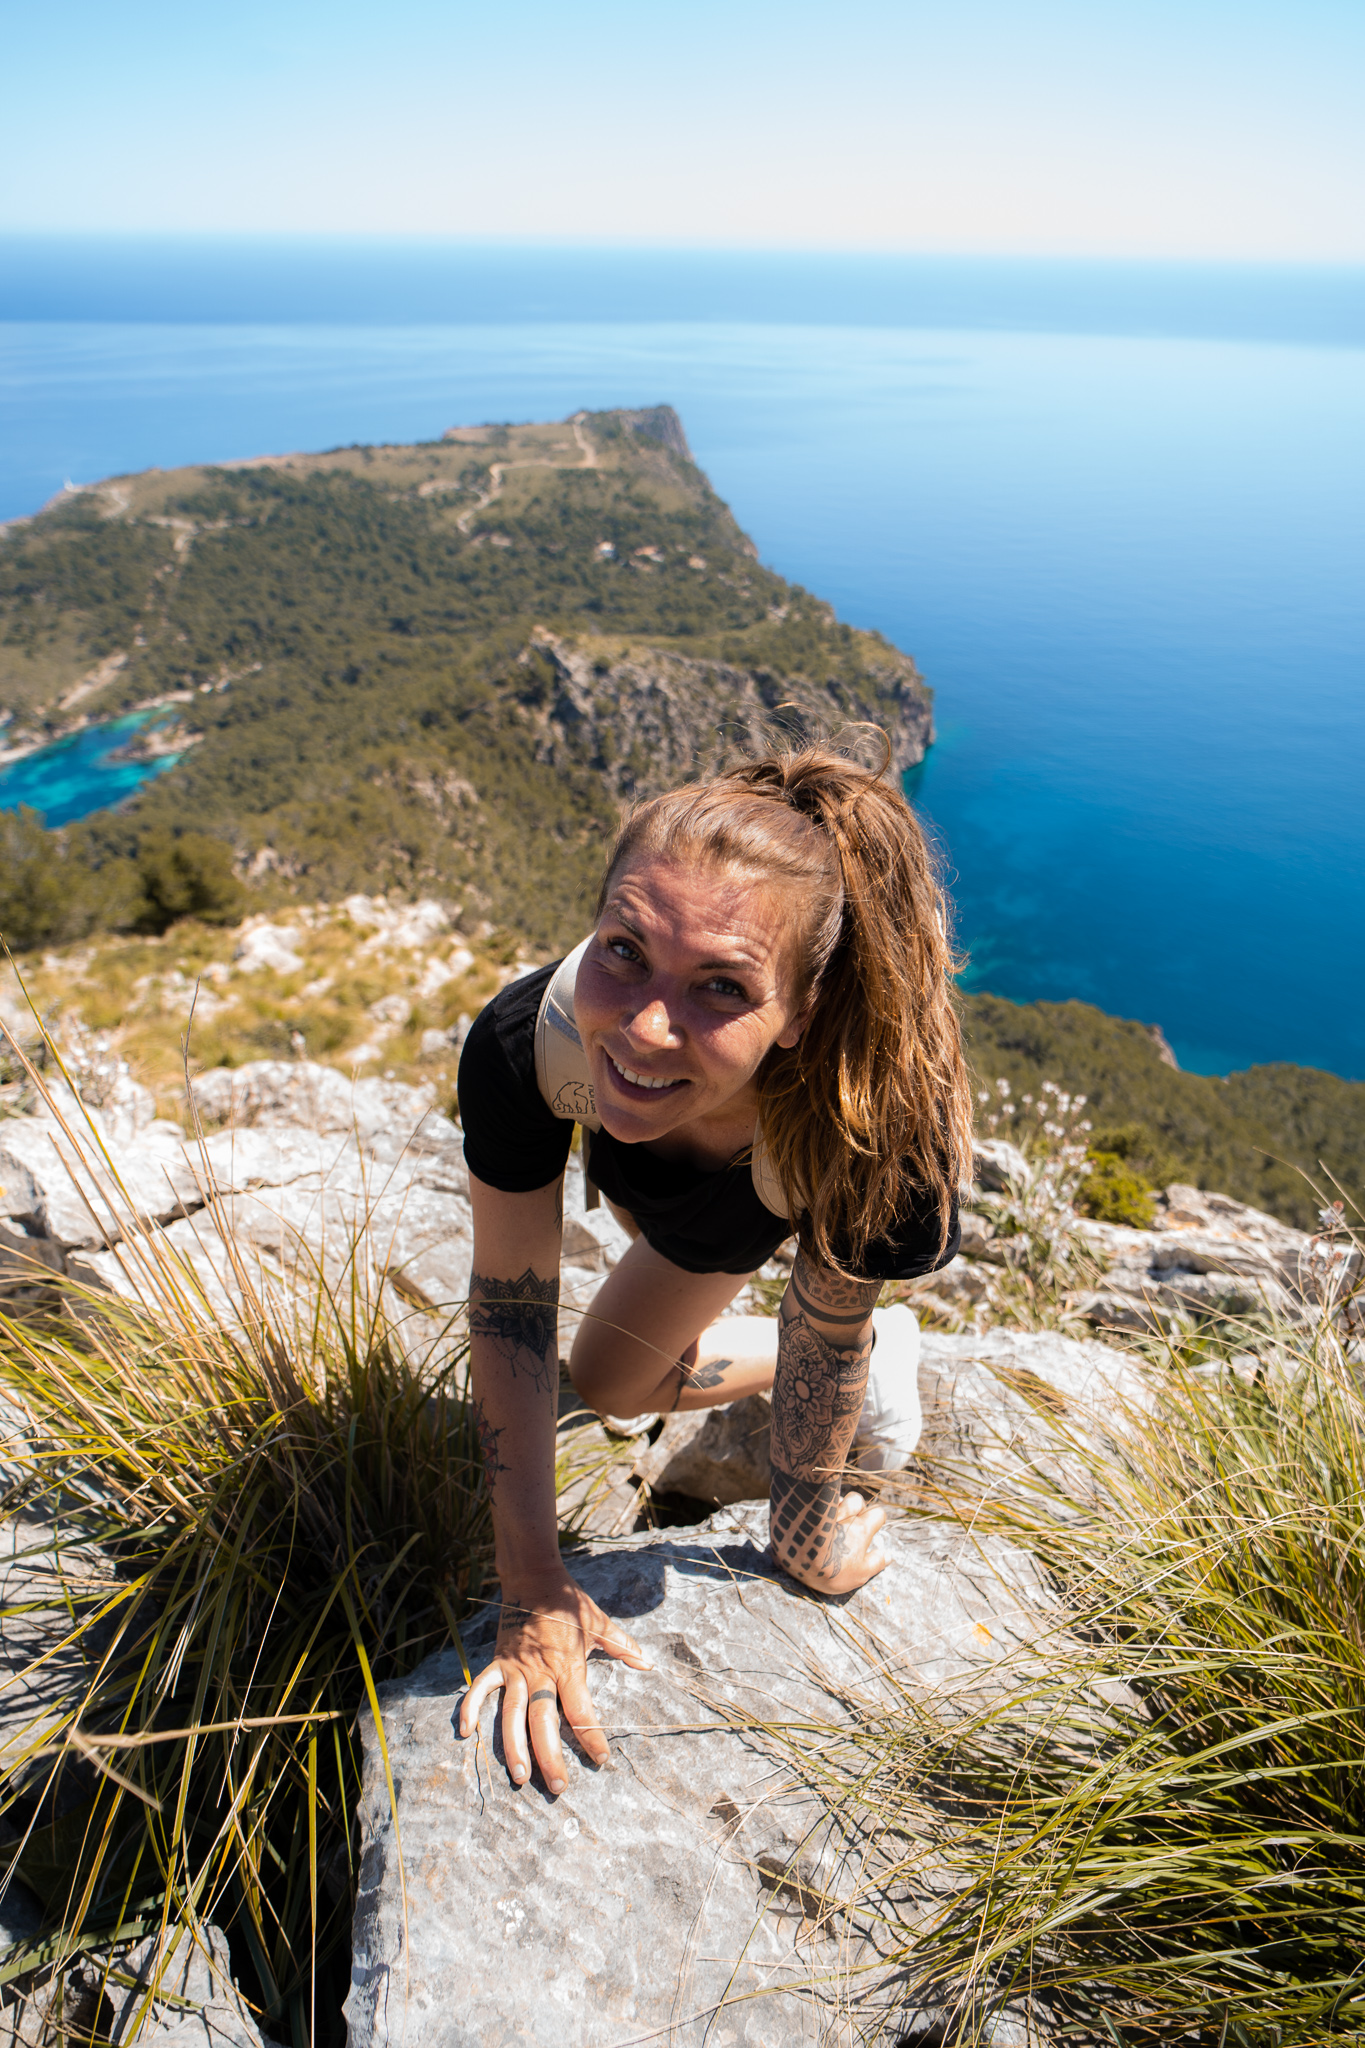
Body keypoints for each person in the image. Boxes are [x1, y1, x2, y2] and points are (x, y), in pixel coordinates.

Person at [455, 738, 973, 1797]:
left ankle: (898, 1358)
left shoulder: (872, 1135)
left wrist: (804, 1526)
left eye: (722, 986)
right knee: (603, 1368)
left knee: (610, 1381)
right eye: (625, 950)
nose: (646, 1022)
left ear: (806, 1012)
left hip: (768, 1172)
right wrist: (532, 1582)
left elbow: (823, 1326)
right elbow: (509, 1304)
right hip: (665, 1146)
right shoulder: (529, 1043)